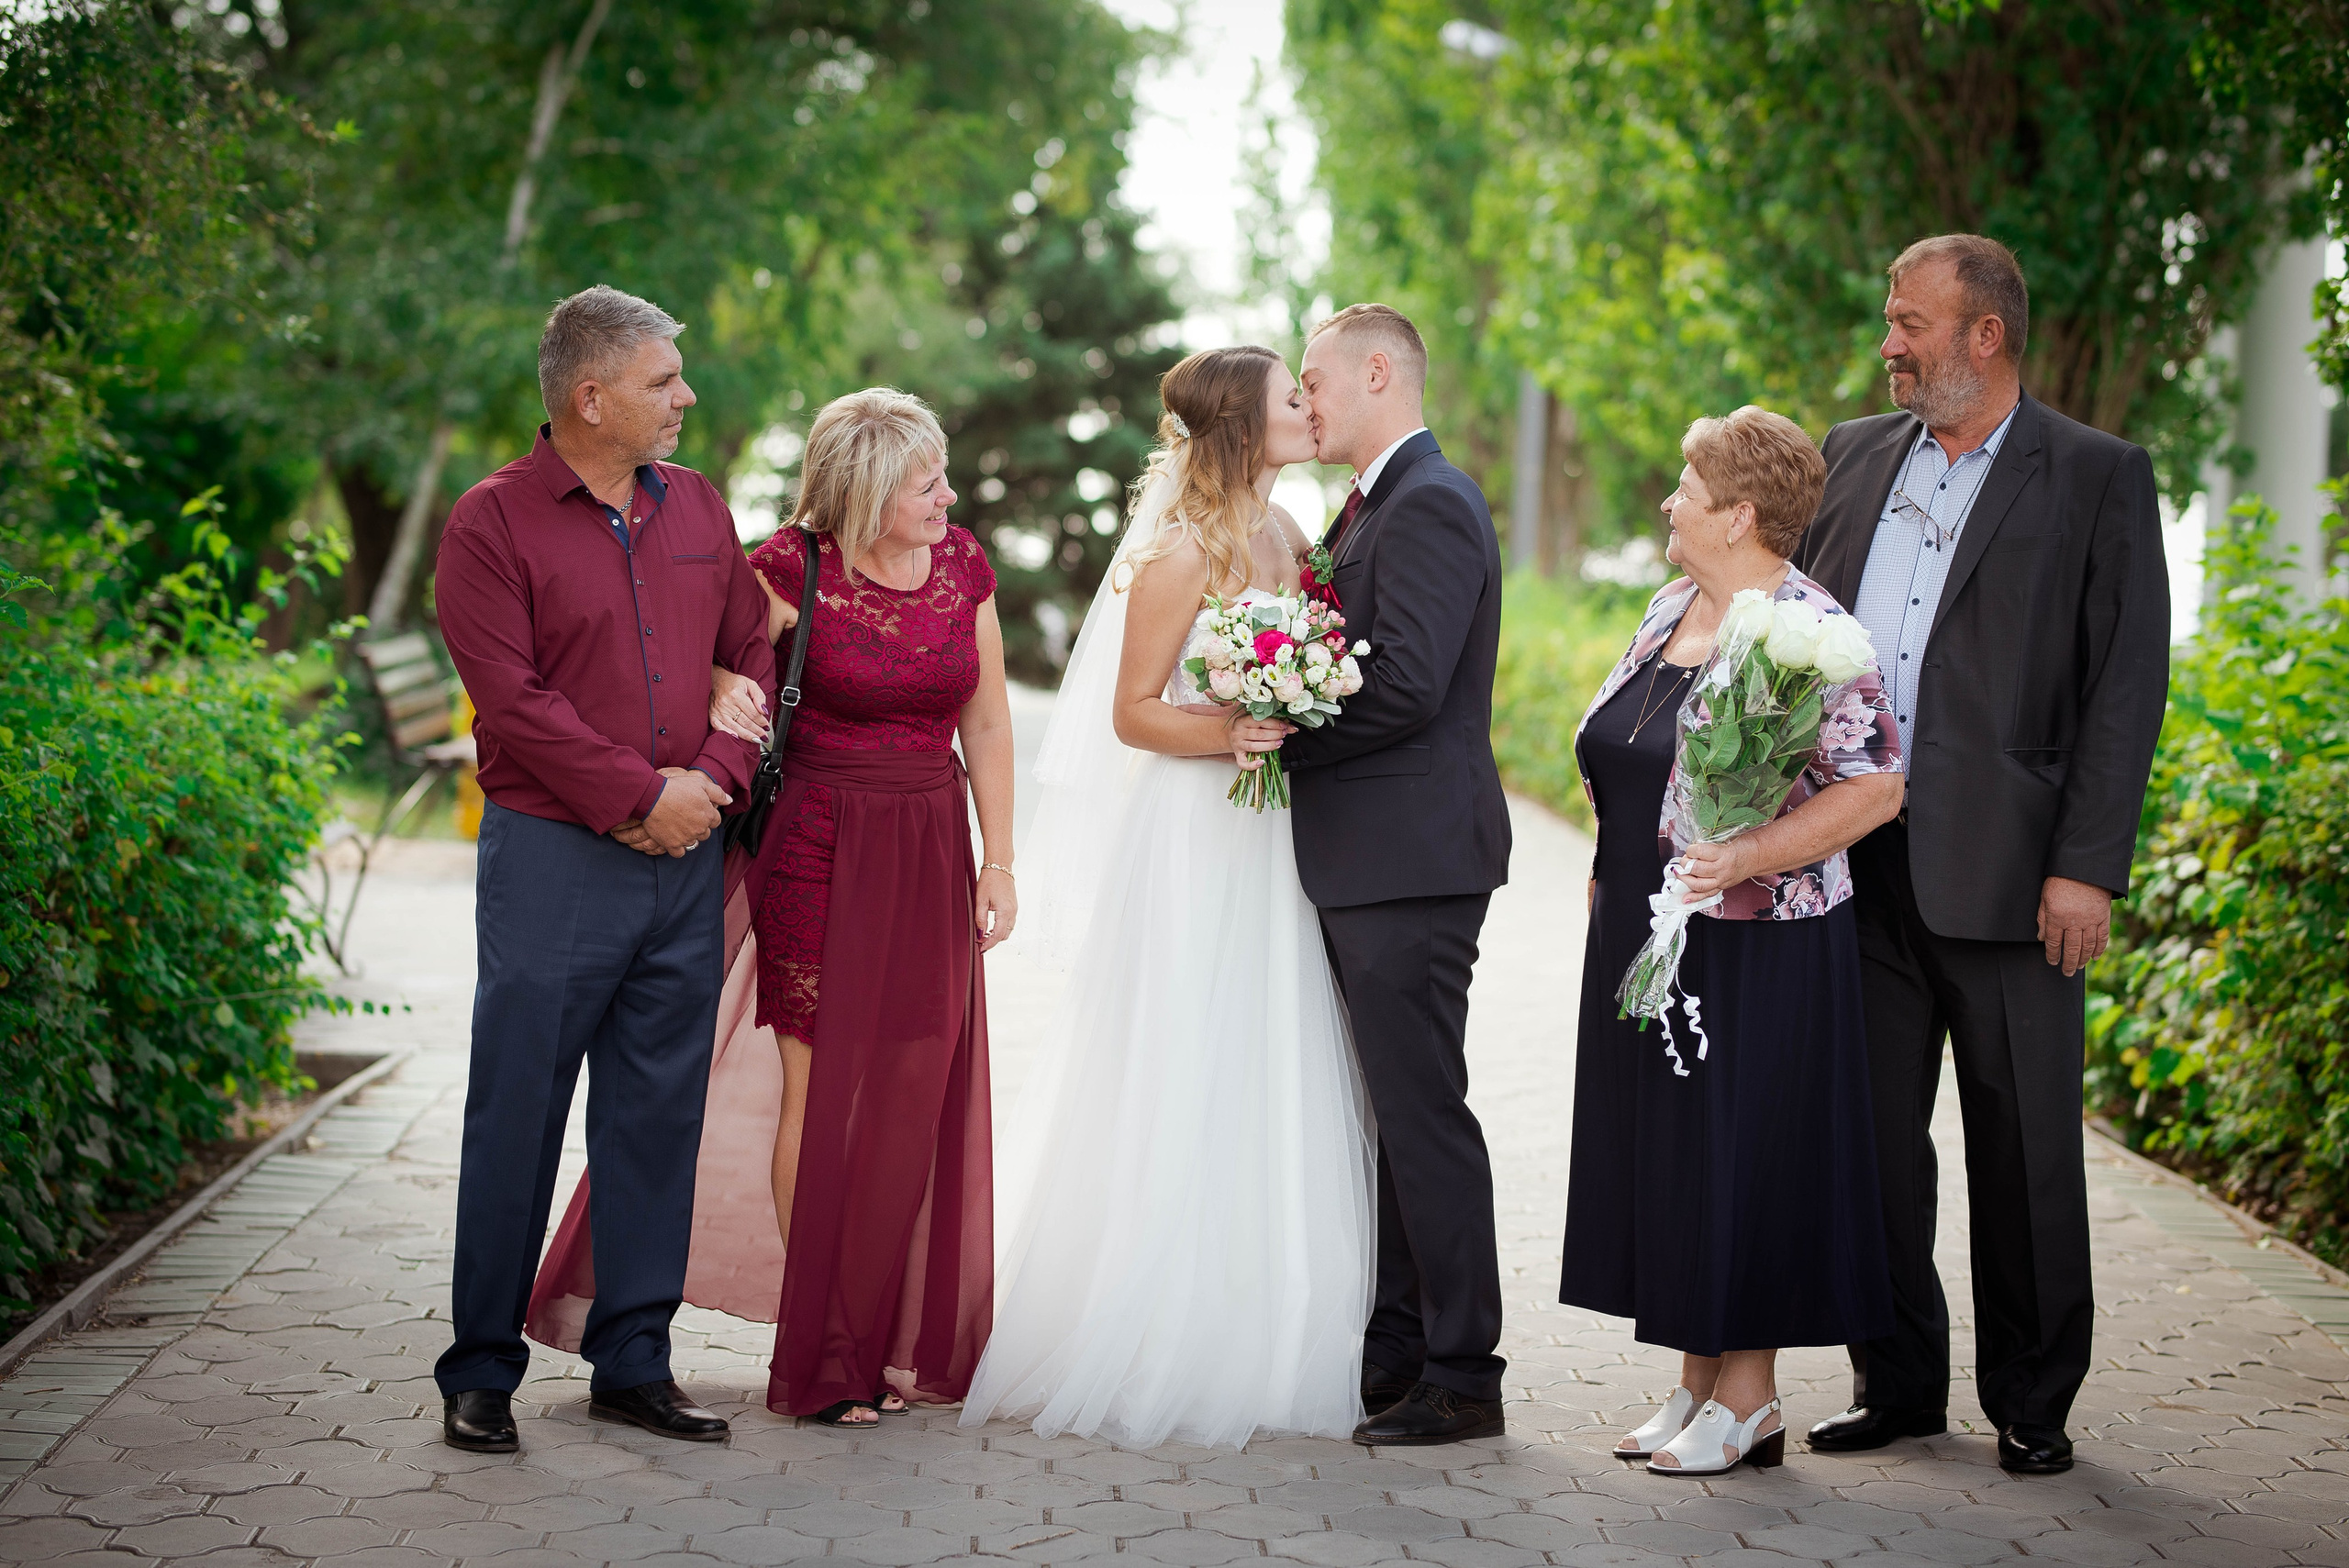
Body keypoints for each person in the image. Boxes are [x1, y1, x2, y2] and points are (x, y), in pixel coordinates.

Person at [527, 389, 1014, 1429]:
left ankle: (881, 1326)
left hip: (931, 842)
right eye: (927, 480)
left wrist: (1000, 860)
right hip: (818, 845)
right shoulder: (789, 566)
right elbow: (688, 645)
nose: (947, 494)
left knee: (910, 1081)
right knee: (822, 1082)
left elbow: (991, 720)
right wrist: (716, 683)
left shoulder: (964, 563)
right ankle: (827, 1341)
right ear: (873, 487)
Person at [1792, 235, 2169, 1476]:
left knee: (2024, 1150)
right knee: (1872, 1143)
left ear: (1984, 335)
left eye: (1911, 321)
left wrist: (2089, 866)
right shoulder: (1850, 455)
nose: (1890, 342)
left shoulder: (2097, 476)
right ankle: (1896, 1381)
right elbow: (1787, 629)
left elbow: (2125, 687)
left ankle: (2033, 1397)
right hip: (1857, 862)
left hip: (2015, 876)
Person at [959, 347, 1376, 1449]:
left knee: (1266, 1051)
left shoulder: (1290, 537)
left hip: (1273, 829)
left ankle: (1266, 1322)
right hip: (1196, 832)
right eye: (1291, 395)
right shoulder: (1179, 552)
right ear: (1245, 422)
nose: (1307, 406)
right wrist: (1230, 730)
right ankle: (1157, 1321)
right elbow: (1133, 712)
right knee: (1185, 1051)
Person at [431, 284, 776, 1451]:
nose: (686, 397)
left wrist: (710, 785)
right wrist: (640, 795)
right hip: (551, 863)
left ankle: (635, 1358)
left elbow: (749, 654)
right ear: (592, 396)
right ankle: (480, 1365)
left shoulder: (700, 508)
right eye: (663, 381)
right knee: (517, 1110)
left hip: (686, 860)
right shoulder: (490, 524)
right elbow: (512, 705)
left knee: (655, 1115)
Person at [1561, 406, 1904, 1475]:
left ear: (1738, 513)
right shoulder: (1671, 604)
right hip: (1647, 922)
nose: (1667, 502)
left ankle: (1750, 1398)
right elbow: (1627, 754)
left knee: (1742, 1155)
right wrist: (1604, 868)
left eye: (1684, 486)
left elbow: (1878, 784)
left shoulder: (1809, 629)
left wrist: (1751, 852)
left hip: (1758, 940)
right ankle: (1697, 1380)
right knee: (1671, 1155)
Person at [1285, 305, 1513, 1446]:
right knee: (1390, 1109)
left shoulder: (1427, 501)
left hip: (1409, 862)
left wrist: (1277, 731)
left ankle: (1465, 1371)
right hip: (1374, 857)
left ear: (1377, 372)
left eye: (1316, 381)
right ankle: (1398, 1342)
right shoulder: (1374, 501)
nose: (1305, 401)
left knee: (1422, 1113)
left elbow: (1408, 683)